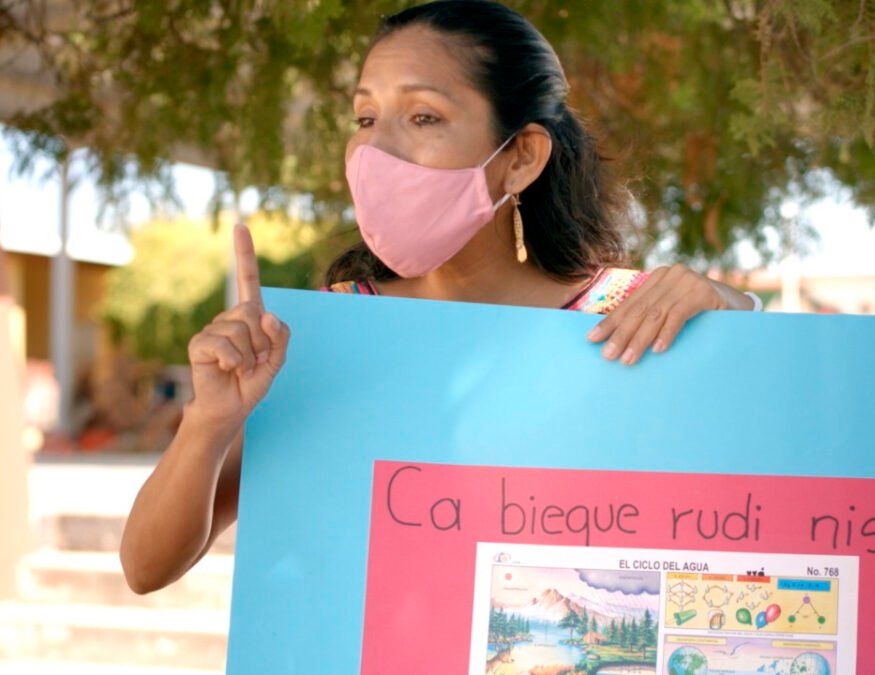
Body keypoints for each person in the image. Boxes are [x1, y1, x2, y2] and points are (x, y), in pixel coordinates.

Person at [120, 0, 760, 594]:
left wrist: (735, 319)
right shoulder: (326, 333)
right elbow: (147, 569)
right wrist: (209, 422)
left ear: (521, 158)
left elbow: (755, 501)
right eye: (366, 118)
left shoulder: (630, 318)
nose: (374, 150)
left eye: (423, 116)